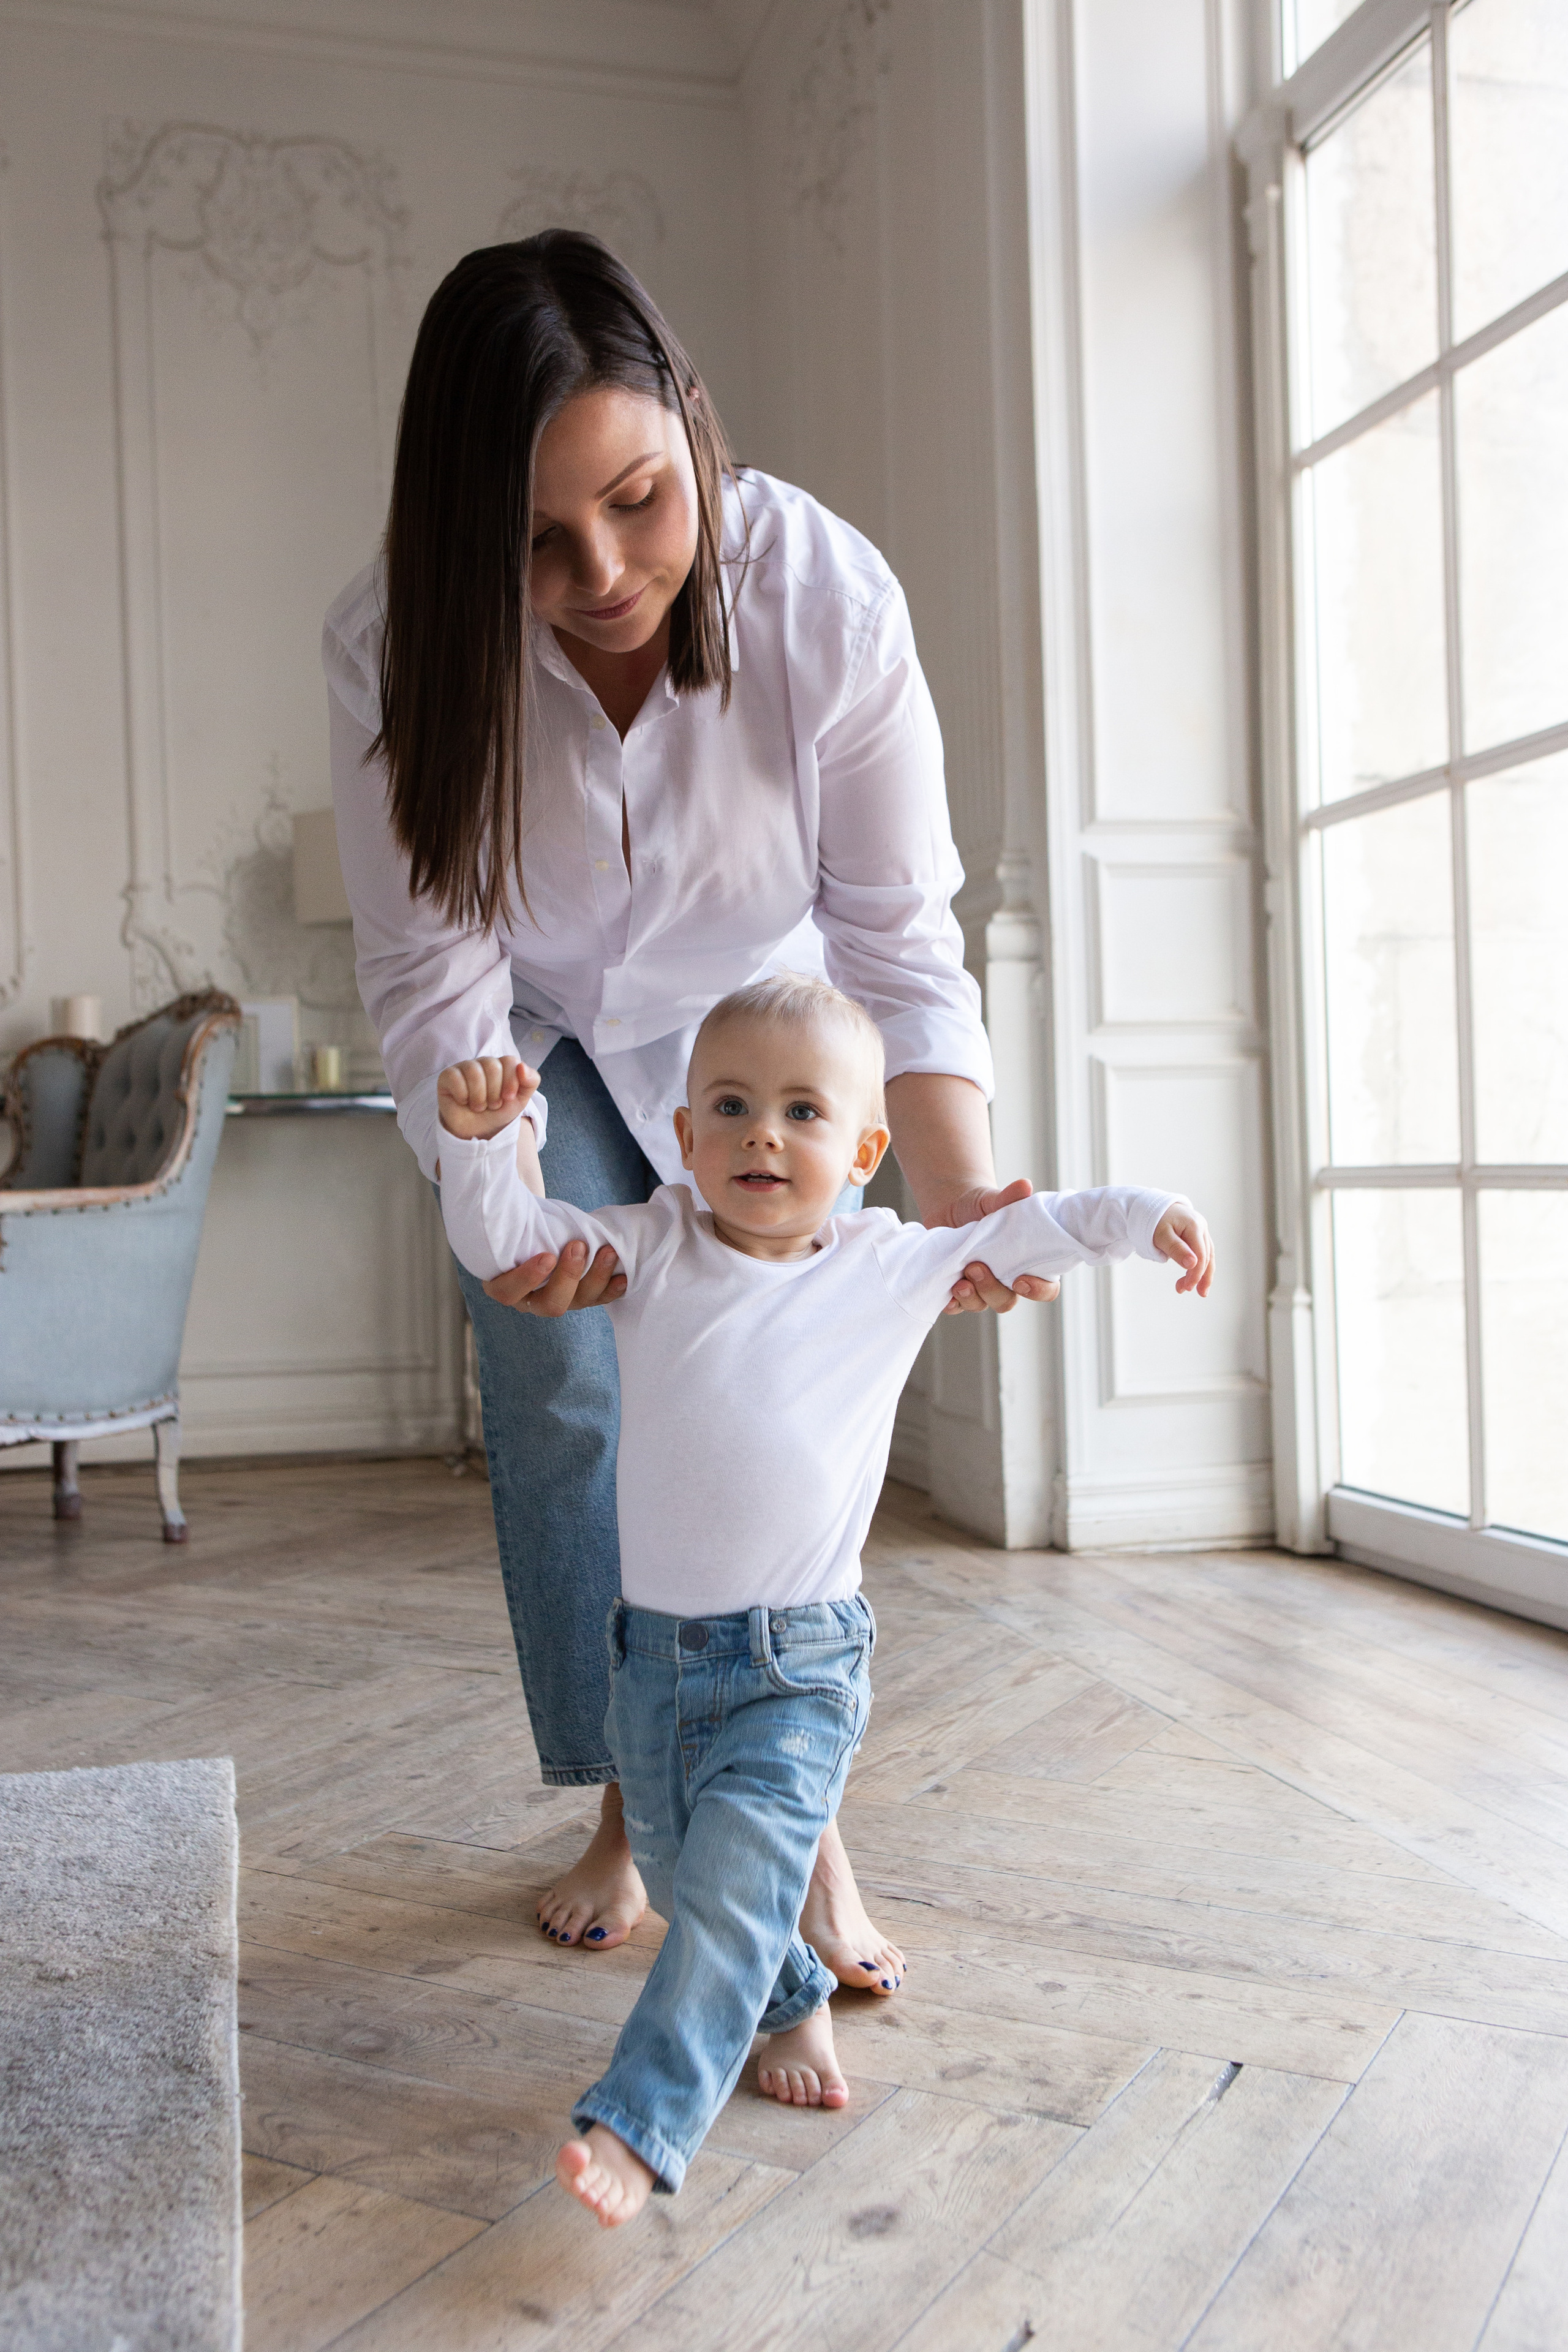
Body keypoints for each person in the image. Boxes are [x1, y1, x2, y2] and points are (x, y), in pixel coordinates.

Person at [324, 228, 1061, 1990]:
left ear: (699, 435)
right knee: (565, 1378)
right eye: (536, 539)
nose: (601, 573)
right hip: (542, 1039)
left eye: (643, 503)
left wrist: (954, 1183)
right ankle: (640, 1799)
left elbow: (894, 932)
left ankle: (789, 1810)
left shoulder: (829, 599)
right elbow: (435, 982)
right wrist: (487, 1196)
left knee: (776, 1391)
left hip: (766, 1038)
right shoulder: (393, 648)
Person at [433, 973, 1215, 2225]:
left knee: (737, 1890)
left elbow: (1035, 1229)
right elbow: (512, 1249)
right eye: (731, 1107)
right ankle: (792, 2006)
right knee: (702, 1896)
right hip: (650, 1666)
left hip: (798, 1668)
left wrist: (1148, 1215)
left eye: (803, 1113)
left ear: (863, 1152)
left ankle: (639, 2124)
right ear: (683, 1138)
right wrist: (480, 1152)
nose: (762, 1135)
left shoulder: (892, 1264)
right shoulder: (647, 1244)